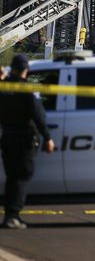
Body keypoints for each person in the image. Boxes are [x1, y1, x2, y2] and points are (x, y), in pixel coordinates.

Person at [0, 54, 54, 229]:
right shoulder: (27, 91)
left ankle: (10, 214)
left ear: (13, 68)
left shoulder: (4, 89)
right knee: (21, 178)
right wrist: (48, 137)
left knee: (12, 178)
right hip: (24, 140)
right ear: (27, 70)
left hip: (7, 138)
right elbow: (38, 116)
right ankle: (12, 216)